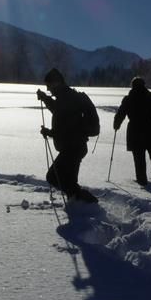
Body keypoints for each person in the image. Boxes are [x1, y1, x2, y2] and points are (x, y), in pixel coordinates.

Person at [36, 68, 98, 203]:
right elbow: (61, 115)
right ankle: (79, 208)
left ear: (55, 83)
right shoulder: (65, 97)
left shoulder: (66, 98)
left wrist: (50, 132)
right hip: (75, 146)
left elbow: (65, 127)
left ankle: (89, 202)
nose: (48, 89)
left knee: (53, 177)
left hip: (73, 148)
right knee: (69, 181)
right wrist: (46, 99)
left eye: (48, 85)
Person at [113, 77, 151, 187]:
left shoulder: (128, 99)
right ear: (144, 85)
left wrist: (116, 125)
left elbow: (120, 114)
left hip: (135, 131)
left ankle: (142, 181)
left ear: (132, 86)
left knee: (139, 159)